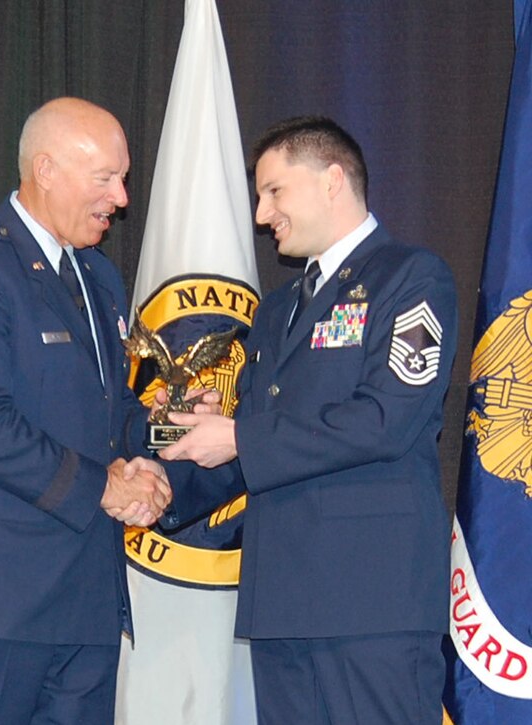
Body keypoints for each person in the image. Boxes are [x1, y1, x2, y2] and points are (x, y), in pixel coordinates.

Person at [158, 116, 457, 724]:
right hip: (283, 601)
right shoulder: (276, 312)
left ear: (332, 181)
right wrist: (163, 480)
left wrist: (239, 434)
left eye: (274, 192)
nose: (263, 215)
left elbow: (385, 420)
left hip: (370, 602)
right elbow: (256, 453)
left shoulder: (410, 277)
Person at [0, 97, 171, 725]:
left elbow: (110, 417)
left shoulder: (100, 278)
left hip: (85, 597)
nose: (122, 198)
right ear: (46, 169)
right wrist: (104, 487)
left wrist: (169, 438)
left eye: (124, 178)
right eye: (106, 177)